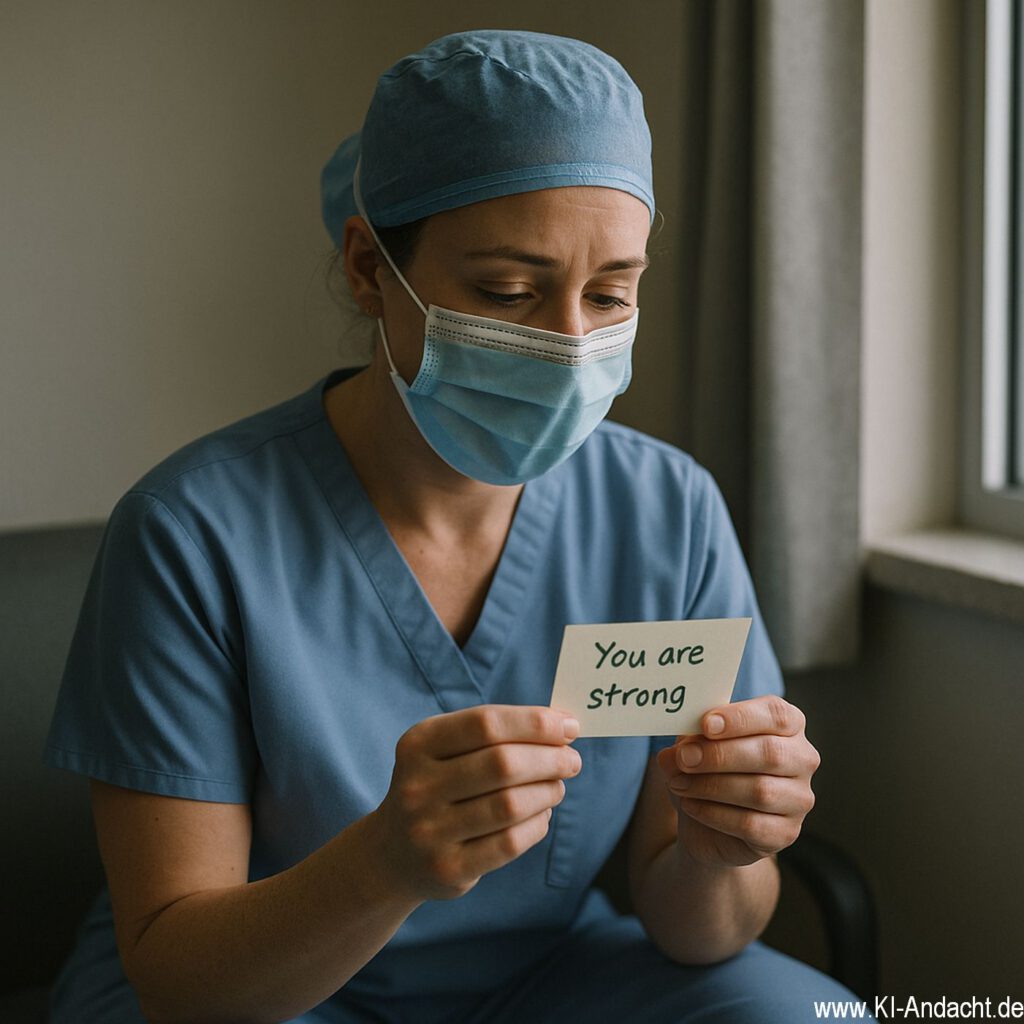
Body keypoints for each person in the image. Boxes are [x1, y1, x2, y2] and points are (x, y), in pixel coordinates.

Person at [44, 29, 866, 1024]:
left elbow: (698, 928)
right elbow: (182, 980)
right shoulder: (191, 534)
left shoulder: (668, 514)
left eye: (611, 292)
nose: (570, 344)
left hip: (548, 975)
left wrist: (724, 851)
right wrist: (382, 864)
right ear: (367, 269)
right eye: (506, 292)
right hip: (262, 991)